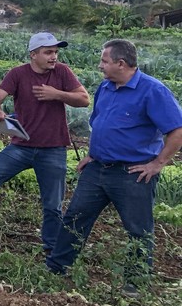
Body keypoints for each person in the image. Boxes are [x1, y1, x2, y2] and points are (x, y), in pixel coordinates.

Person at [47, 39, 182, 290]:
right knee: (75, 218)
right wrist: (92, 154)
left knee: (138, 229)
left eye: (104, 61)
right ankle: (56, 268)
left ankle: (135, 285)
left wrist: (157, 164)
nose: (100, 66)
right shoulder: (106, 87)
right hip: (97, 168)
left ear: (121, 63)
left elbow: (177, 130)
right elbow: (100, 123)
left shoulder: (153, 91)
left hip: (132, 173)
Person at [0, 32, 89, 253]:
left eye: (55, 52)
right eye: (48, 52)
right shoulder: (18, 74)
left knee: (52, 204)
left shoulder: (62, 72)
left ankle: (52, 249)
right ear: (33, 54)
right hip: (21, 146)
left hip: (53, 149)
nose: (53, 56)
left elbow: (84, 99)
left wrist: (57, 94)